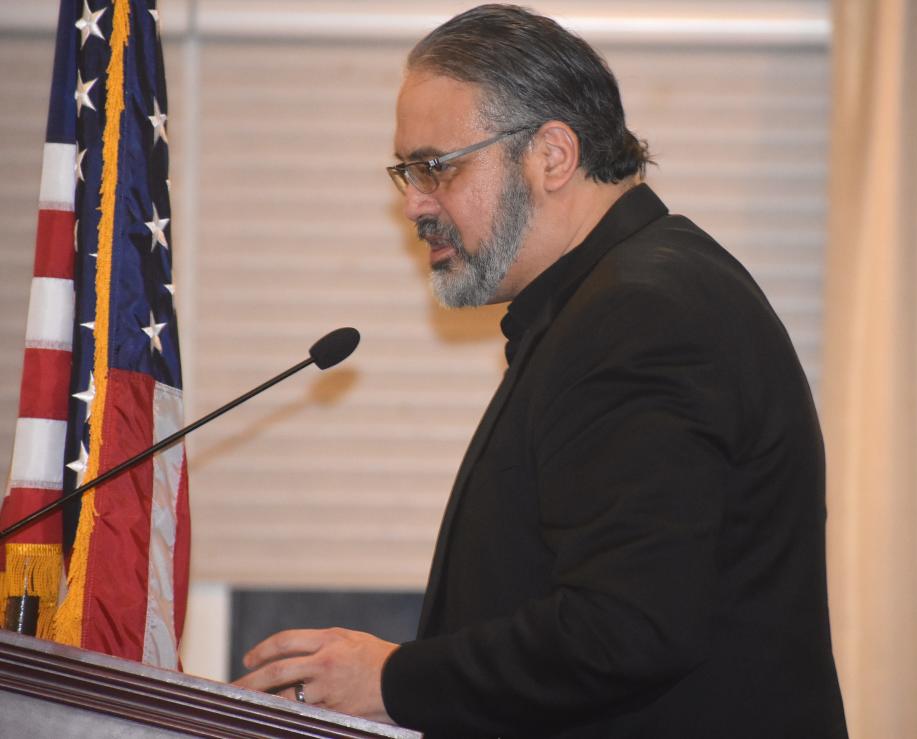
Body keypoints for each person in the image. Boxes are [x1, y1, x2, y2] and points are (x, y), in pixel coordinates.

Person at [235, 5, 848, 738]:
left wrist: (392, 680)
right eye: (406, 171)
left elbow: (624, 629)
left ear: (552, 155)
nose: (413, 204)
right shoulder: (613, 299)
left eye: (436, 167)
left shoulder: (643, 316)